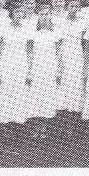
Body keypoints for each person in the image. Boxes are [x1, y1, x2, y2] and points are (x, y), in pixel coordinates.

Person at [27, 7, 63, 139]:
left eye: (47, 14)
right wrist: (29, 71)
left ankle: (44, 128)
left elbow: (59, 53)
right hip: (37, 67)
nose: (44, 16)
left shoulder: (55, 33)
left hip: (50, 67)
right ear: (38, 16)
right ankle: (36, 127)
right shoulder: (33, 33)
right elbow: (30, 53)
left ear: (50, 16)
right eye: (42, 14)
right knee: (37, 96)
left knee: (47, 96)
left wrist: (59, 70)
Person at [0, 3, 32, 127]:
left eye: (21, 12)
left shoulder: (26, 29)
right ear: (12, 13)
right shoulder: (4, 28)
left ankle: (18, 125)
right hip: (7, 63)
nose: (19, 14)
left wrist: (29, 70)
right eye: (16, 11)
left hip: (21, 63)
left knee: (19, 93)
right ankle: (6, 126)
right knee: (6, 93)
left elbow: (29, 51)